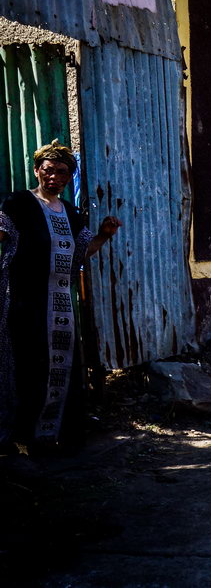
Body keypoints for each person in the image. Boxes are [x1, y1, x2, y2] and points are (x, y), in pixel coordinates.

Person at [0, 141, 122, 451]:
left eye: (62, 172)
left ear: (69, 179)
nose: (54, 177)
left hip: (61, 306)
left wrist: (104, 236)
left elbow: (83, 252)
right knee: (28, 367)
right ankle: (21, 439)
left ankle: (55, 437)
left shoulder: (70, 212)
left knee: (61, 367)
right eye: (49, 170)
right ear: (37, 170)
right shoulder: (18, 204)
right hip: (24, 302)